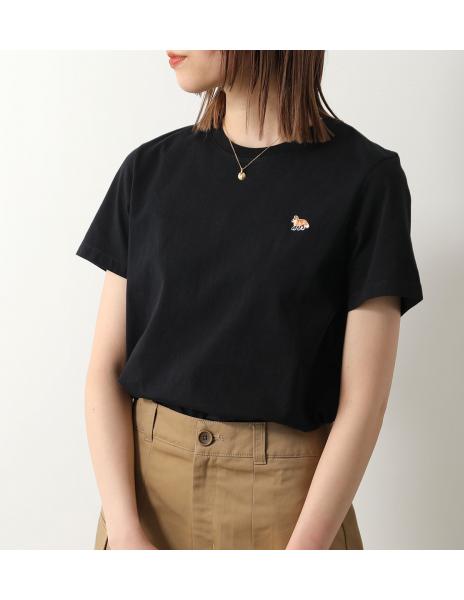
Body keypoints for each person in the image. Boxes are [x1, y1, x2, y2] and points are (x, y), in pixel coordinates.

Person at [75, 50, 424, 550]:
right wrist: (125, 532)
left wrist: (303, 552)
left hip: (291, 508)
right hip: (142, 499)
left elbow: (364, 401)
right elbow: (104, 371)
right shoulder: (148, 170)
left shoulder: (367, 179)